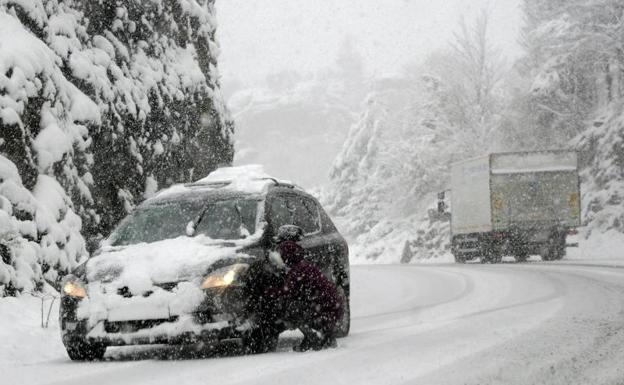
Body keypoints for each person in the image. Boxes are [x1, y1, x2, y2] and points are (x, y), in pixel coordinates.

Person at [264, 229, 343, 352]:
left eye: (281, 255)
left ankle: (314, 337)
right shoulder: (304, 265)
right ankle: (324, 336)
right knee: (299, 306)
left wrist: (269, 292)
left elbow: (287, 292)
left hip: (325, 311)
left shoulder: (298, 271)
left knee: (290, 308)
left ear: (287, 256)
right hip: (332, 309)